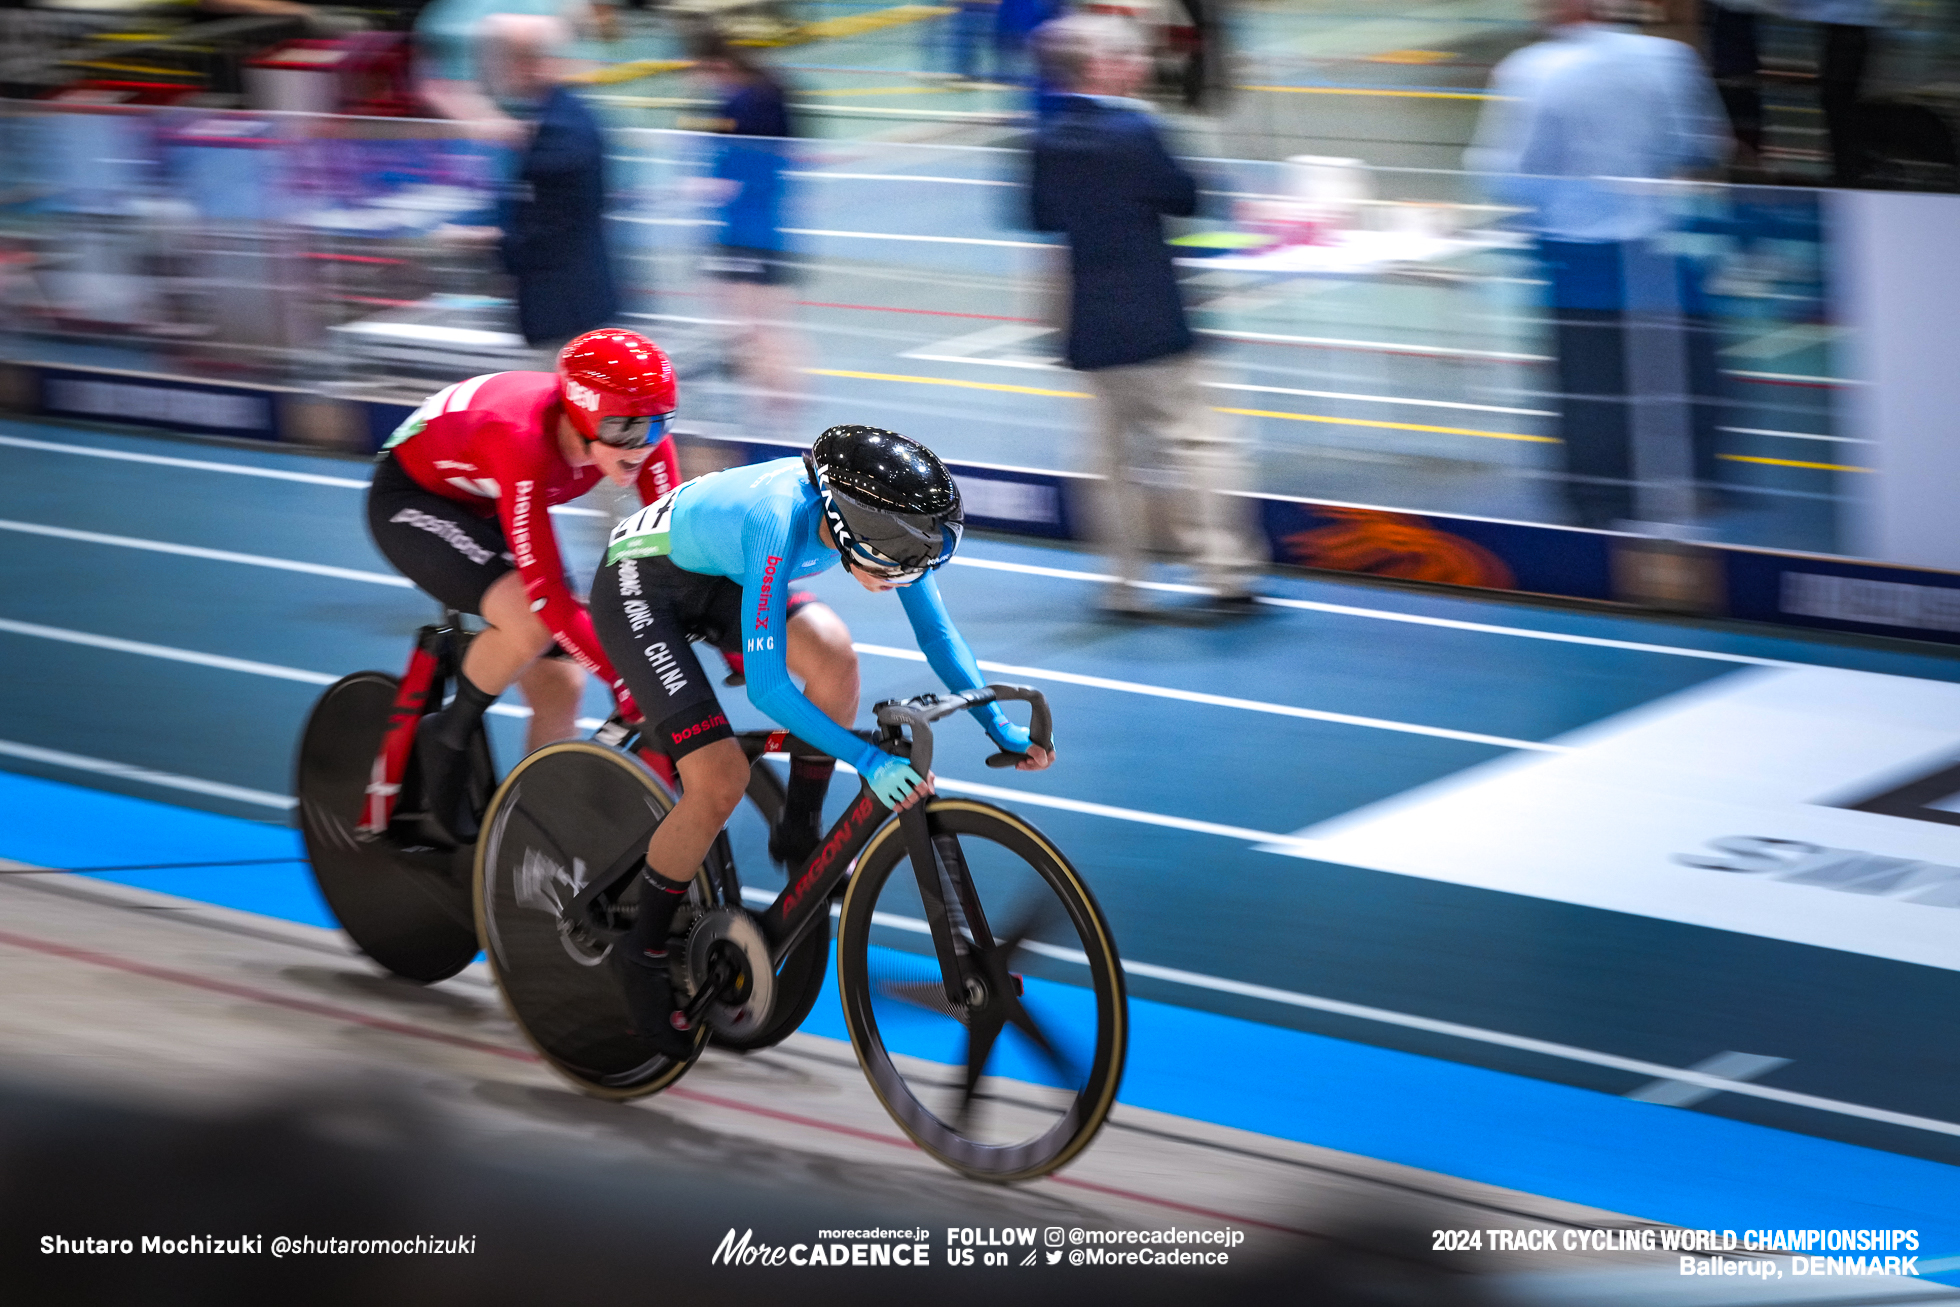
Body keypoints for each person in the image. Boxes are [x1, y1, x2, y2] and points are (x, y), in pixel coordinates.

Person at [590, 425, 1053, 1053]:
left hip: (720, 572)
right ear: (845, 520)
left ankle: (799, 829)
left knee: (837, 658)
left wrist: (999, 726)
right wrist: (865, 759)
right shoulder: (778, 518)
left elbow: (939, 637)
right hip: (641, 587)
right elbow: (768, 689)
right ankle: (639, 952)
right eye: (894, 557)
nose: (903, 573)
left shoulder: (889, 526)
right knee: (718, 778)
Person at [366, 328, 682, 840]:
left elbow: (675, 557)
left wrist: (734, 650)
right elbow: (548, 598)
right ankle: (447, 735)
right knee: (533, 622)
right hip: (414, 498)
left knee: (561, 682)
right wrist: (627, 682)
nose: (643, 446)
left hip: (491, 492)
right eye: (625, 428)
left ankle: (535, 837)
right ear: (581, 417)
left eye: (658, 426)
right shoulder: (523, 440)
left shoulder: (640, 440)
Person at [1029, 12, 1264, 617]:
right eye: (1127, 57)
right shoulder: (1136, 131)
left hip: (1088, 319)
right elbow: (1187, 195)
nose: (1139, 66)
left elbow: (1039, 216)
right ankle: (1223, 571)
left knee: (1109, 462)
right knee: (1200, 443)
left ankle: (1124, 584)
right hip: (1154, 316)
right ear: (1100, 67)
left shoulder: (1044, 136)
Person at [1466, 0, 1731, 528]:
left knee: (1591, 398)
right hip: (1658, 249)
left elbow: (1507, 173)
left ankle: (1599, 517)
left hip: (1578, 259)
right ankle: (1690, 490)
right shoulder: (1669, 58)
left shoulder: (1532, 70)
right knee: (1675, 376)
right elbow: (1699, 145)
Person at [687, 30, 803, 432]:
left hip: (744, 230)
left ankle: (778, 418)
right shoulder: (770, 92)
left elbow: (733, 171)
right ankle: (774, 413)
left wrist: (705, 186)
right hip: (769, 226)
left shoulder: (742, 102)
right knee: (759, 329)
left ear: (717, 65)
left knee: (754, 330)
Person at [487, 14, 618, 350]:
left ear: (525, 63)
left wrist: (493, 241)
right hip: (572, 302)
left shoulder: (561, 129)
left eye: (500, 59)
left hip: (565, 308)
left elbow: (549, 225)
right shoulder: (558, 116)